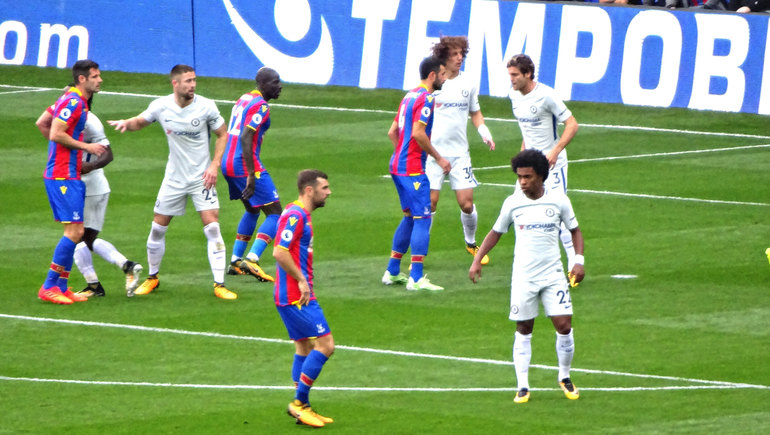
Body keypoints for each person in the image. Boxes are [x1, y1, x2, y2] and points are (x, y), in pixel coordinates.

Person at [108, 64, 237, 300]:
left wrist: (214, 165)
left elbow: (222, 134)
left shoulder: (206, 106)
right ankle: (153, 277)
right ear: (175, 84)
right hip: (174, 178)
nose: (193, 85)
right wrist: (127, 123)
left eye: (194, 80)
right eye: (188, 81)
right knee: (158, 228)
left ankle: (219, 284)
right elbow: (141, 121)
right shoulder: (161, 106)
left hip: (202, 178)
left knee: (213, 226)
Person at [469, 149, 585, 404]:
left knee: (564, 326)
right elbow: (495, 232)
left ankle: (564, 376)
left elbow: (575, 231)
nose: (522, 181)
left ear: (541, 176)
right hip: (523, 277)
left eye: (527, 177)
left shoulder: (559, 201)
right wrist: (477, 260)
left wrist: (578, 261)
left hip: (553, 274)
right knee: (524, 328)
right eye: (520, 177)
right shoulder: (513, 202)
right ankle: (522, 385)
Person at [36, 89, 143, 298]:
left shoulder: (90, 120)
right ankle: (92, 282)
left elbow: (107, 153)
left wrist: (88, 166)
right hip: (74, 180)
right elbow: (44, 125)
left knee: (77, 236)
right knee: (79, 236)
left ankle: (116, 270)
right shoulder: (66, 115)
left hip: (90, 185)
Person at [38, 59, 108, 305]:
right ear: (82, 79)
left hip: (69, 173)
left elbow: (42, 122)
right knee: (75, 231)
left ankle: (63, 287)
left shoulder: (72, 100)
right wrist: (85, 146)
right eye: (95, 76)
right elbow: (56, 132)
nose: (100, 80)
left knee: (76, 231)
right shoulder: (74, 101)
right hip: (61, 175)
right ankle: (49, 286)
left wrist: (69, 154)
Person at [507, 54, 580, 276]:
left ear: (528, 74)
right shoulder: (513, 96)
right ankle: (526, 261)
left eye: (515, 75)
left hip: (552, 165)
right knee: (517, 210)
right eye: (509, 75)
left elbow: (572, 124)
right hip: (528, 166)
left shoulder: (547, 96)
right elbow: (526, 130)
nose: (511, 80)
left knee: (558, 211)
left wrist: (555, 152)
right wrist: (523, 154)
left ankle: (573, 264)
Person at [381, 55, 450, 291]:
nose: (444, 78)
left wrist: (402, 153)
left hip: (397, 166)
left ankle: (392, 271)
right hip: (411, 169)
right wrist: (439, 159)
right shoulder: (427, 98)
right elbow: (419, 133)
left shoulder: (408, 96)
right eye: (442, 75)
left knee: (410, 216)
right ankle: (417, 277)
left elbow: (393, 132)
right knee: (423, 217)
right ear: (432, 75)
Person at [274, 170, 334, 428]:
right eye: (324, 188)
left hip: (291, 295)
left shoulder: (299, 213)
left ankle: (304, 406)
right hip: (295, 296)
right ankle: (298, 403)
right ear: (309, 190)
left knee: (303, 347)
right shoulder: (296, 215)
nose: (328, 192)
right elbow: (279, 252)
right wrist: (300, 279)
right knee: (326, 345)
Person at [428, 36, 496, 266]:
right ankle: (419, 255)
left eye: (462, 54)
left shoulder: (468, 83)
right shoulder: (434, 81)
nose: (459, 58)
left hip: (460, 154)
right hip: (433, 154)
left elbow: (475, 112)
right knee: (430, 204)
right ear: (444, 57)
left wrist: (484, 132)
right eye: (455, 54)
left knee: (466, 203)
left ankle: (471, 243)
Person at [221, 67, 283, 283]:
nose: (280, 86)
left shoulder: (244, 99)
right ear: (262, 84)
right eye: (275, 82)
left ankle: (236, 261)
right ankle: (253, 259)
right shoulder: (261, 106)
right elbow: (247, 136)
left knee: (252, 208)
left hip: (226, 162)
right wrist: (250, 174)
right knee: (276, 212)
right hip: (243, 164)